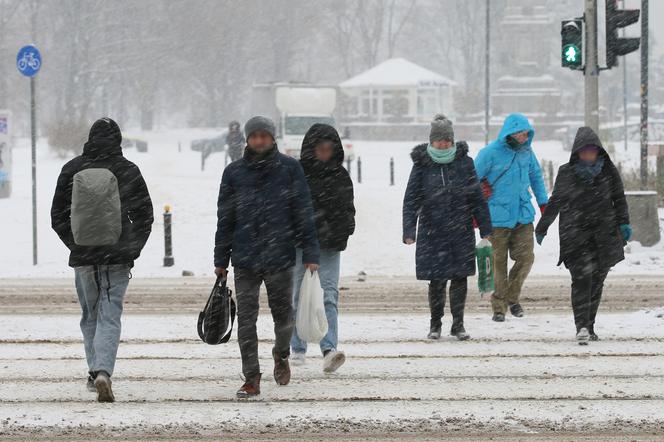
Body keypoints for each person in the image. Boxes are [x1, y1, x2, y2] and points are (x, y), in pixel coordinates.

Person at [214, 115, 320, 398]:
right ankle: (251, 377)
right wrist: (220, 259)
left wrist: (310, 252)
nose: (259, 140)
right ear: (247, 139)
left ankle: (281, 354)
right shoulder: (234, 172)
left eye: (264, 135)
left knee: (284, 317)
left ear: (272, 138)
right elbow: (225, 219)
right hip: (245, 257)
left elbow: (303, 213)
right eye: (254, 136)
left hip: (280, 255)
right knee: (246, 321)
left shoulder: (290, 169)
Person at [51, 117, 153, 403]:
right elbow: (145, 215)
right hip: (117, 257)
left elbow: (57, 215)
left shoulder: (72, 169)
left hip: (83, 257)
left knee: (90, 316)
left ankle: (94, 368)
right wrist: (132, 248)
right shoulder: (127, 170)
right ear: (118, 140)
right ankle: (103, 372)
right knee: (110, 315)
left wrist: (75, 243)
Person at [535, 126, 631, 345]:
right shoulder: (566, 172)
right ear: (577, 151)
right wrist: (543, 226)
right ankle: (582, 326)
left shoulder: (608, 170)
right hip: (575, 234)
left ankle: (591, 325)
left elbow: (619, 197)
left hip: (604, 234)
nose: (588, 154)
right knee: (581, 280)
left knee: (597, 281)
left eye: (592, 150)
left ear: (598, 151)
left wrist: (624, 222)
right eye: (584, 150)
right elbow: (556, 200)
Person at [403, 115, 492, 340]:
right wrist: (408, 230)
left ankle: (458, 324)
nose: (443, 144)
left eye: (447, 140)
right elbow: (411, 199)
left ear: (452, 140)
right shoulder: (422, 165)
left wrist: (485, 228)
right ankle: (435, 325)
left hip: (460, 230)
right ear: (431, 141)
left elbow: (477, 198)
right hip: (432, 231)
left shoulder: (465, 162)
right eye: (439, 140)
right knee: (437, 280)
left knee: (460, 278)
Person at [290, 123, 355, 372]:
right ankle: (297, 347)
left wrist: (343, 230)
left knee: (329, 296)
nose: (325, 153)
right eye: (321, 148)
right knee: (298, 295)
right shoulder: (298, 175)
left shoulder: (341, 176)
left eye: (329, 149)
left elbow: (348, 209)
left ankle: (329, 349)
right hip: (299, 244)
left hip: (330, 245)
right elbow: (292, 209)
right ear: (311, 149)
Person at [474, 113, 548, 322]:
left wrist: (544, 203)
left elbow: (536, 177)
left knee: (526, 258)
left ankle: (511, 298)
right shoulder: (490, 153)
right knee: (498, 264)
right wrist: (480, 190)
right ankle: (499, 307)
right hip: (496, 218)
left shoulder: (527, 152)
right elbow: (471, 180)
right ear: (509, 134)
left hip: (523, 216)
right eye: (520, 134)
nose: (524, 138)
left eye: (526, 134)